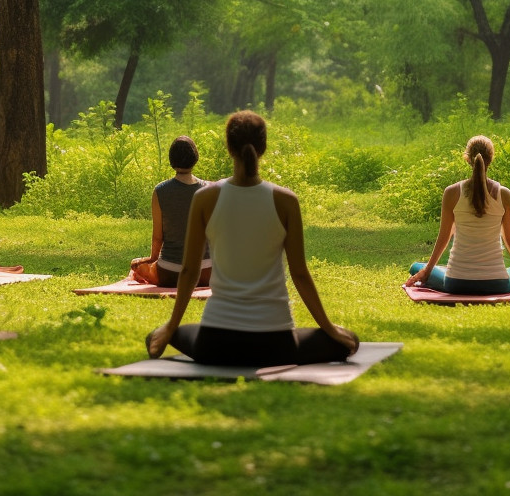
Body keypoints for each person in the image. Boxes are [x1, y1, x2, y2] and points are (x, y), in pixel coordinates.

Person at [146, 111, 359, 366]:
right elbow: (299, 273)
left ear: (229, 148)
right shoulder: (286, 201)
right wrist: (329, 329)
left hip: (214, 344)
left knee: (155, 335)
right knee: (351, 340)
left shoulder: (205, 198)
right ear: (263, 148)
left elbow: (190, 271)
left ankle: (166, 332)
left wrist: (170, 327)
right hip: (277, 345)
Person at [405, 136, 510, 295]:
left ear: (468, 159)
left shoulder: (451, 192)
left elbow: (444, 237)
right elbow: (509, 239)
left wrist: (427, 270)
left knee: (416, 267)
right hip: (496, 284)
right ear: (491, 159)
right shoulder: (504, 194)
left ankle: (436, 269)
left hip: (456, 283)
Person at [130, 135, 212, 289]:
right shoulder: (209, 189)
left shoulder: (160, 191)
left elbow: (158, 237)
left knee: (136, 265)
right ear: (195, 158)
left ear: (171, 159)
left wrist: (151, 259)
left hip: (170, 273)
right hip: (206, 273)